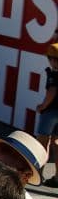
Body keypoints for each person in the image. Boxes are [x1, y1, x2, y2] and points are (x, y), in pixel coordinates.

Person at [34, 44, 58, 187]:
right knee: (56, 143)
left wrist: (42, 106)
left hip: (51, 112)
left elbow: (52, 91)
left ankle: (38, 175)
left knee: (42, 143)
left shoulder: (54, 74)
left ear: (53, 59)